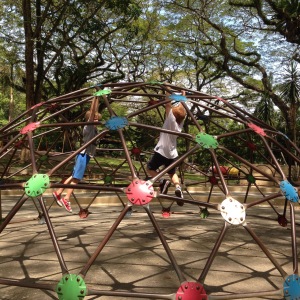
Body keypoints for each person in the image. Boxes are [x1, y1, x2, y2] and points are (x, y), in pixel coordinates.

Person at [52, 98, 101, 213]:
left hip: (87, 155)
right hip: (83, 154)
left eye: (97, 119)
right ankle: (66, 198)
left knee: (73, 175)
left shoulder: (94, 128)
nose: (96, 120)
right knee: (77, 178)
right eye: (94, 118)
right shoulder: (88, 126)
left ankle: (58, 192)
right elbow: (93, 110)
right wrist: (96, 97)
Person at [147, 89, 187, 205]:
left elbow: (167, 104)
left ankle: (162, 181)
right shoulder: (180, 124)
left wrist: (167, 90)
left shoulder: (170, 120)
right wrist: (183, 96)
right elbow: (183, 108)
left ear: (173, 114)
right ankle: (178, 187)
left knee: (150, 168)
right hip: (173, 154)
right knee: (172, 173)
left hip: (162, 151)